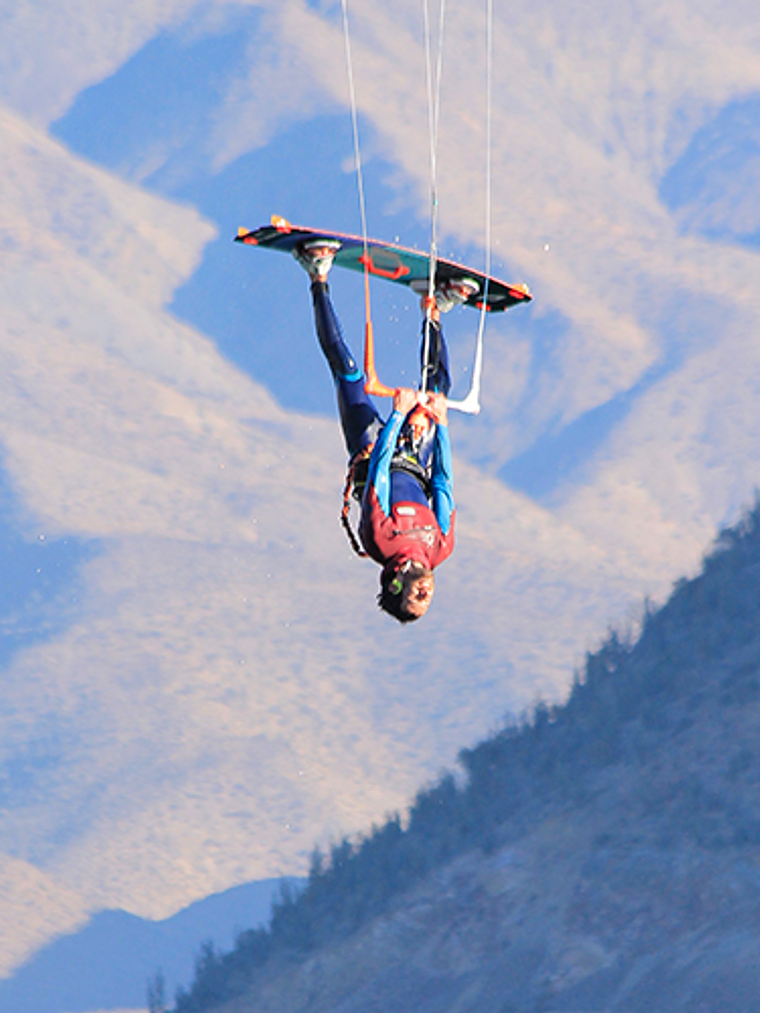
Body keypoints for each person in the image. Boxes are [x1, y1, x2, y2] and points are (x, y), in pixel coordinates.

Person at [294, 239, 477, 623]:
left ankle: (316, 274)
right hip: (414, 458)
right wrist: (441, 423)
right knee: (437, 393)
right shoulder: (441, 548)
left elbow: (378, 473)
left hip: (371, 448)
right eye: (426, 601)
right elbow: (442, 483)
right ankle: (434, 307)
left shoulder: (379, 540)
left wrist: (396, 417)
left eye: (416, 598)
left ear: (396, 586)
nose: (426, 594)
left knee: (347, 370)